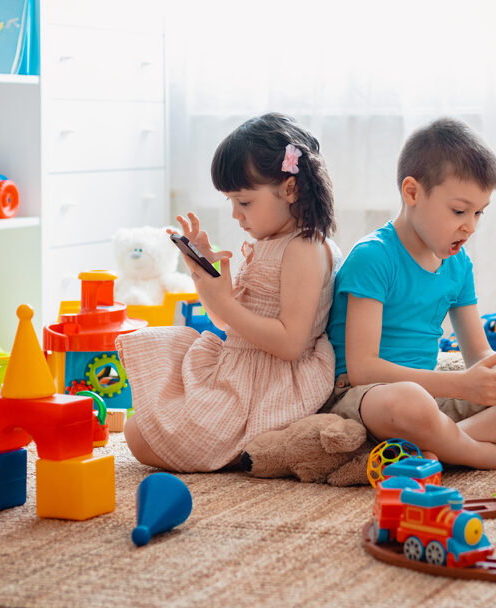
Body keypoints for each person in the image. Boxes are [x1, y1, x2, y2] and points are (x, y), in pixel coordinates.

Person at [325, 118, 496, 468]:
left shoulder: (458, 264)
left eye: (479, 212)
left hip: (432, 399)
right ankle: (489, 454)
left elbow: (479, 354)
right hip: (370, 397)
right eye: (459, 211)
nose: (471, 226)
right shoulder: (373, 256)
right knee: (410, 401)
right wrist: (461, 385)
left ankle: (443, 445)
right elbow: (362, 369)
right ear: (412, 192)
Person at [117, 113, 341, 472]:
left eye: (245, 202)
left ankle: (253, 446)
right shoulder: (271, 241)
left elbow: (291, 343)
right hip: (239, 367)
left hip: (270, 384)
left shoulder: (304, 249)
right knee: (143, 425)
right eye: (230, 202)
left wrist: (224, 302)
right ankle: (243, 446)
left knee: (141, 434)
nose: (236, 214)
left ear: (290, 189)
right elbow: (227, 323)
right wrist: (205, 278)